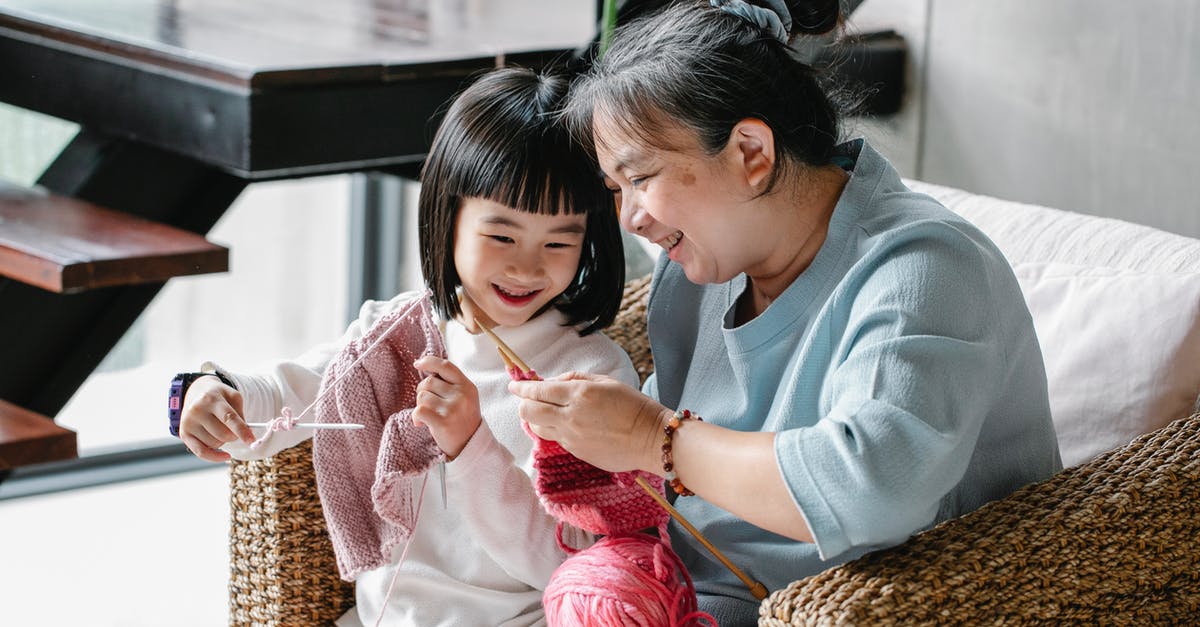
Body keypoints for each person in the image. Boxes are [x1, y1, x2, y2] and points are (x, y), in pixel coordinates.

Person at [508, 1, 1063, 624]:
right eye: (616, 191)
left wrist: (650, 438)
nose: (631, 217)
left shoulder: (927, 266)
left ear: (751, 152)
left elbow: (872, 488)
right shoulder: (699, 275)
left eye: (641, 178)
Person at [173, 67, 637, 627]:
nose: (527, 266)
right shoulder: (395, 335)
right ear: (449, 215)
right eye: (502, 235)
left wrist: (471, 445)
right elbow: (288, 395)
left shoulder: (590, 377)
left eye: (560, 241)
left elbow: (567, 565)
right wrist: (209, 395)